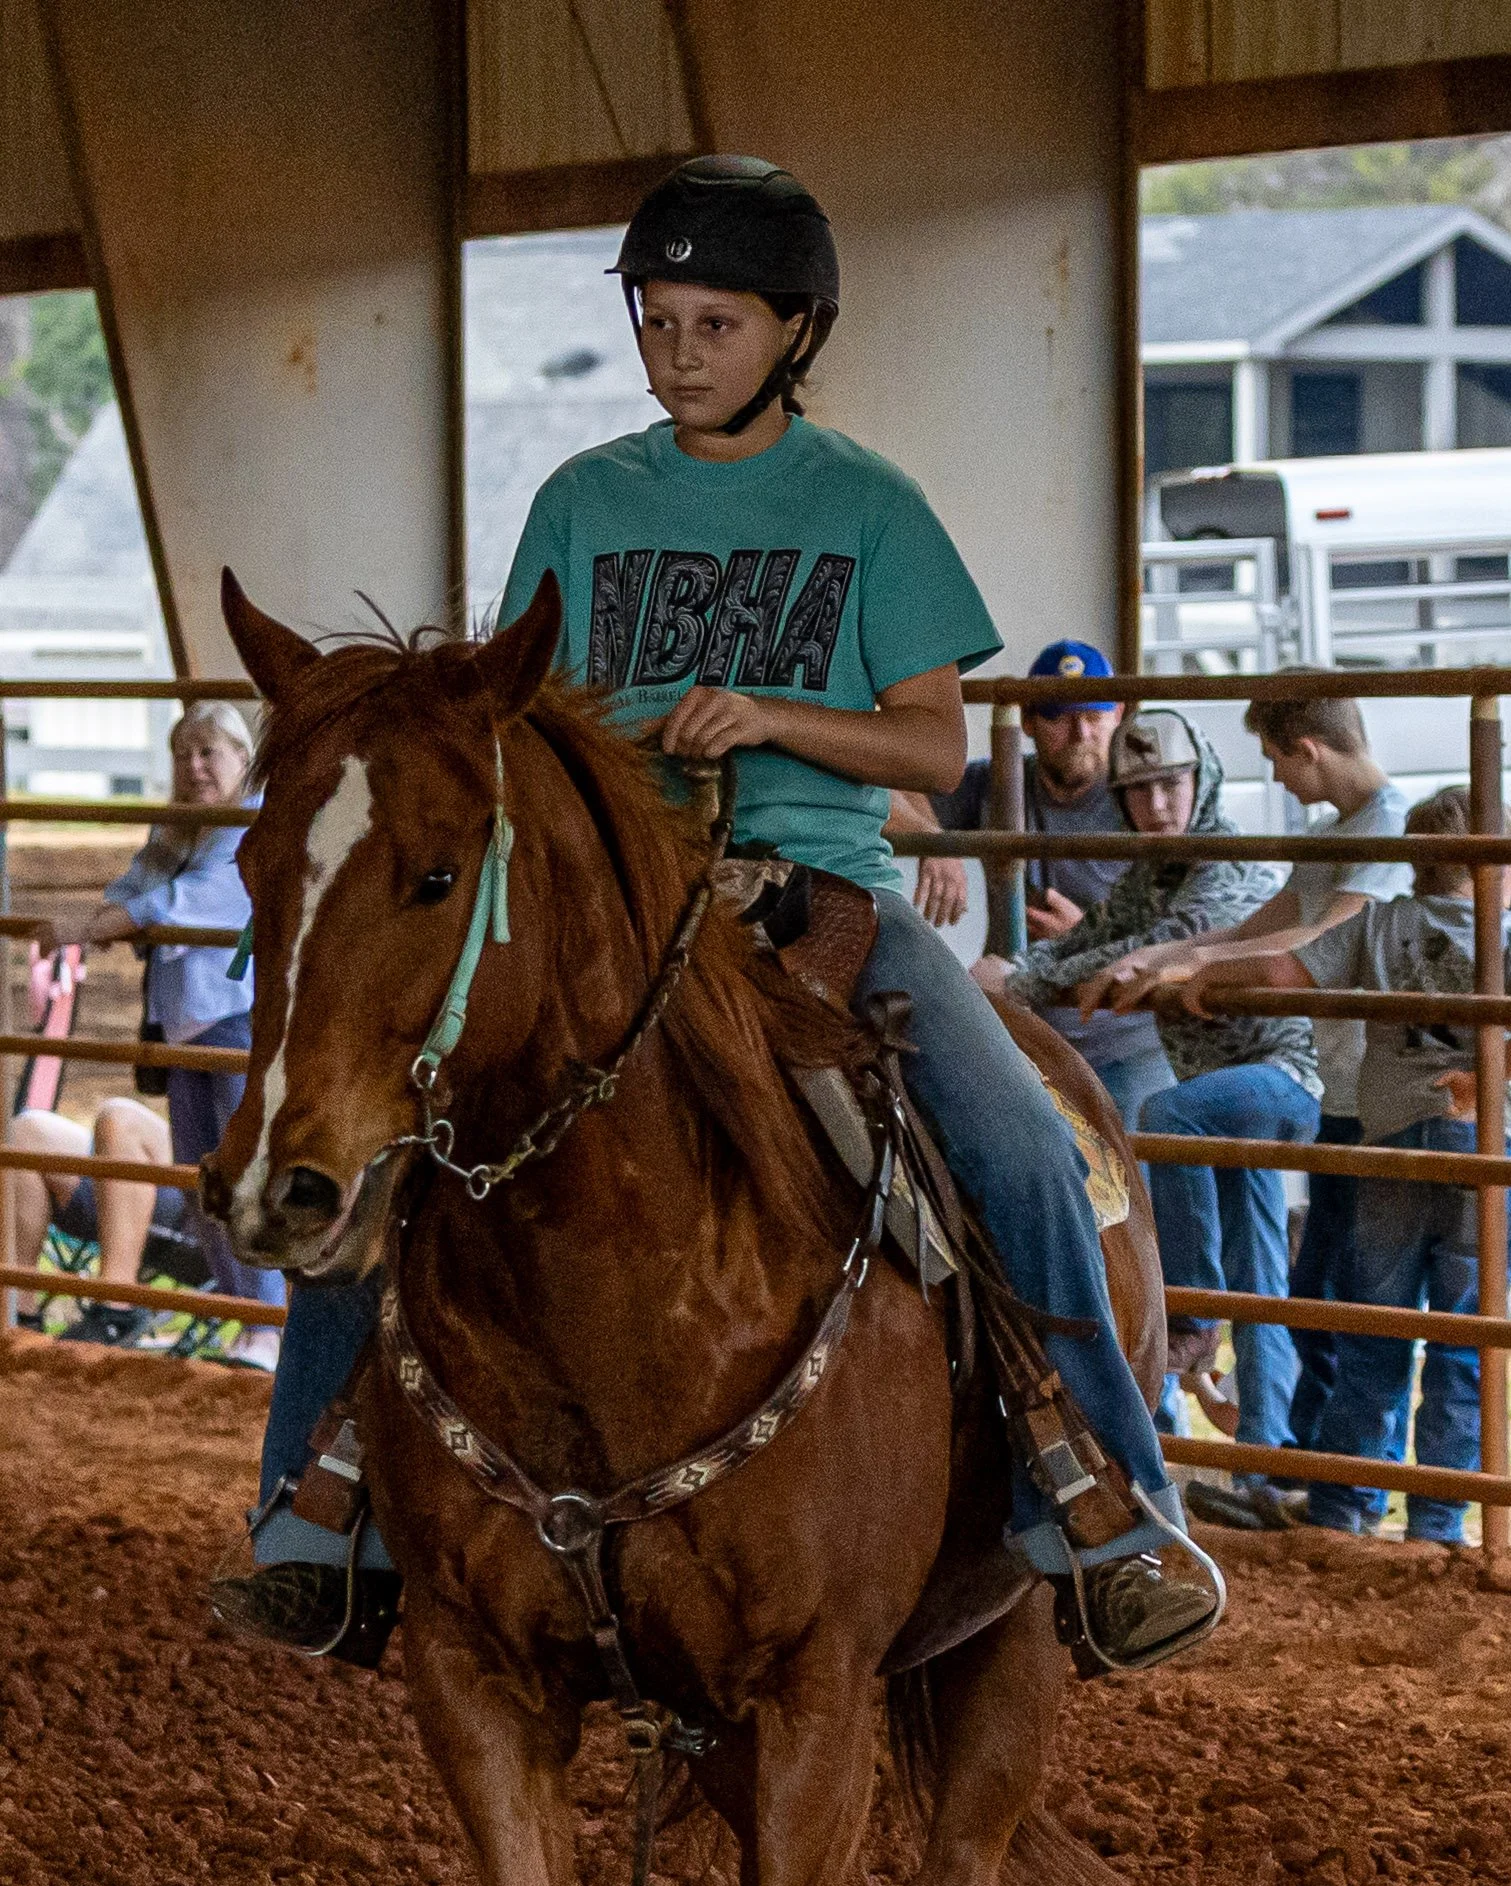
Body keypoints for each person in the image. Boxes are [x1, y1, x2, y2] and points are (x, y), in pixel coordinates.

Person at [216, 153, 1220, 1673]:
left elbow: (931, 747)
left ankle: (1112, 1506)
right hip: (614, 911)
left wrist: (768, 716)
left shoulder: (868, 506)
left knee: (1020, 1139)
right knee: (397, 1135)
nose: (679, 353)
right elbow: (520, 715)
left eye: (715, 323)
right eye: (657, 321)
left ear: (792, 331)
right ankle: (313, 1511)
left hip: (816, 897)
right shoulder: (582, 501)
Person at [982, 708, 1321, 1528]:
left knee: (1178, 1164)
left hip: (1262, 1082)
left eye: (1171, 784)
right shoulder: (1151, 871)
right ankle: (1261, 1465)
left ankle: (1196, 1338)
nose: (1157, 806)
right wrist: (1019, 970)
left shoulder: (1224, 859)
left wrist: (1014, 981)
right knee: (1258, 1272)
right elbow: (1099, 937)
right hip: (1220, 1093)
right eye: (1137, 792)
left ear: (1203, 781)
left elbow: (1168, 938)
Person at [1090, 690, 1411, 1454]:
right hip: (1324, 1075)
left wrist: (1198, 964)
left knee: (1173, 1118)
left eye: (1272, 758)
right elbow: (1258, 925)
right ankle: (1270, 1454)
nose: (1273, 775)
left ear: (1306, 749)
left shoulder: (1388, 827)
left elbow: (1321, 938)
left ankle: (1194, 1315)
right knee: (1275, 1275)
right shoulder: (1331, 833)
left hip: (1348, 1081)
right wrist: (1162, 958)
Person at [1174, 784, 1496, 1543]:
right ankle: (1439, 1522)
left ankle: (1343, 1508)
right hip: (1480, 1150)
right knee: (1464, 1338)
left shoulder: (1378, 925)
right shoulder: (1502, 931)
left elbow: (1285, 973)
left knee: (1372, 1329)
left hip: (1388, 1148)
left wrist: (1210, 974)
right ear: (1494, 867)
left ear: (1412, 862)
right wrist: (1481, 1078)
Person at [42, 701, 284, 1369]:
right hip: (184, 1026)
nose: (194, 767)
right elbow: (133, 887)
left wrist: (93, 927)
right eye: (182, 754)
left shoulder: (253, 824)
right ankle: (240, 1316)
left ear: (244, 759)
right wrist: (109, 917)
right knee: (201, 1175)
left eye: (209, 752)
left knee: (244, 1168)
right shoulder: (177, 830)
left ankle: (268, 1321)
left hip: (235, 1018)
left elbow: (187, 902)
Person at [921, 644, 1174, 1130]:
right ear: (1029, 722)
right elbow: (892, 785)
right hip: (1020, 1031)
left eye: (1094, 716)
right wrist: (934, 838)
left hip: (1121, 1039)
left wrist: (1084, 937)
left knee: (1133, 1163)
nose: (1081, 734)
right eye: (1060, 717)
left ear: (1118, 714)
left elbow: (1189, 924)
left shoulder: (1147, 799)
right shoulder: (996, 783)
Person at [10, 1094, 197, 1344]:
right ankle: (16, 1319)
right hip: (161, 1187)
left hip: (216, 1216)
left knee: (122, 1120)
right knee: (27, 1131)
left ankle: (115, 1310)